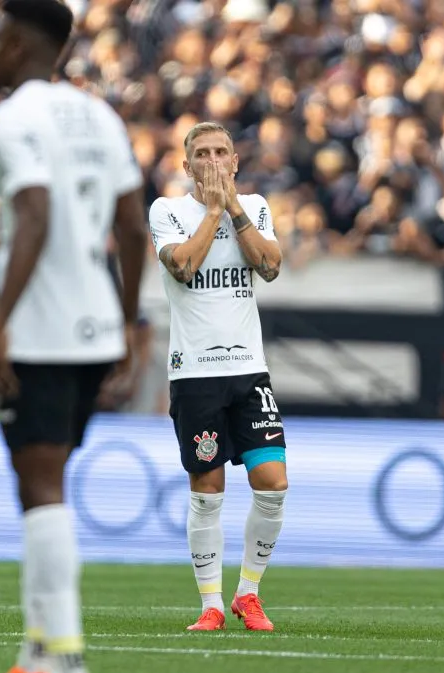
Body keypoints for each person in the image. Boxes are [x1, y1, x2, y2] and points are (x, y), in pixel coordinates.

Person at [0, 1, 147, 673]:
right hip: (96, 325)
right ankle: (37, 655)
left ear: (18, 45)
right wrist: (127, 325)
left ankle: (65, 660)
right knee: (41, 482)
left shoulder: (15, 117)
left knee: (42, 485)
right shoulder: (100, 114)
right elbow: (133, 228)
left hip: (42, 329)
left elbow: (36, 213)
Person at [148, 121, 289, 633]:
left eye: (220, 152)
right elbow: (183, 266)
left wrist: (232, 208)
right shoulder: (167, 211)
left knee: (272, 484)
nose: (211, 161)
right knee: (207, 492)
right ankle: (210, 603)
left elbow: (270, 265)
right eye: (201, 154)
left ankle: (247, 595)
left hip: (249, 371)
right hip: (196, 374)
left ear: (234, 161)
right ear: (187, 167)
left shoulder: (253, 207)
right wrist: (211, 210)